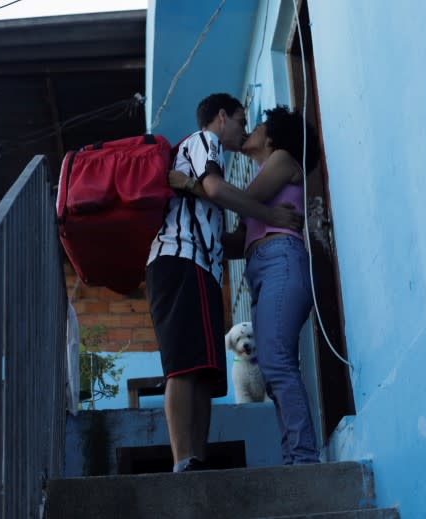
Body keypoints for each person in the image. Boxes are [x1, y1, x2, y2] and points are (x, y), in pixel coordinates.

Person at [145, 94, 303, 473]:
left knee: (201, 369)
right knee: (184, 366)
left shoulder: (207, 156)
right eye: (240, 119)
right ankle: (183, 460)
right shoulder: (204, 140)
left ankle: (194, 460)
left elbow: (213, 204)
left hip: (199, 265)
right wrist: (268, 214)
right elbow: (216, 190)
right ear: (221, 117)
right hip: (180, 257)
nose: (243, 128)